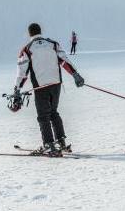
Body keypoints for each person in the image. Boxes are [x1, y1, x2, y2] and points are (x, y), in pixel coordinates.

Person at [12, 23, 85, 156]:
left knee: (43, 116)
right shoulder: (53, 44)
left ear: (29, 34)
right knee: (53, 112)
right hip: (56, 84)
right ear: (41, 31)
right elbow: (64, 61)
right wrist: (75, 75)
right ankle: (61, 142)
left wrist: (17, 89)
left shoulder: (27, 49)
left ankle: (49, 144)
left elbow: (22, 72)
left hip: (41, 86)